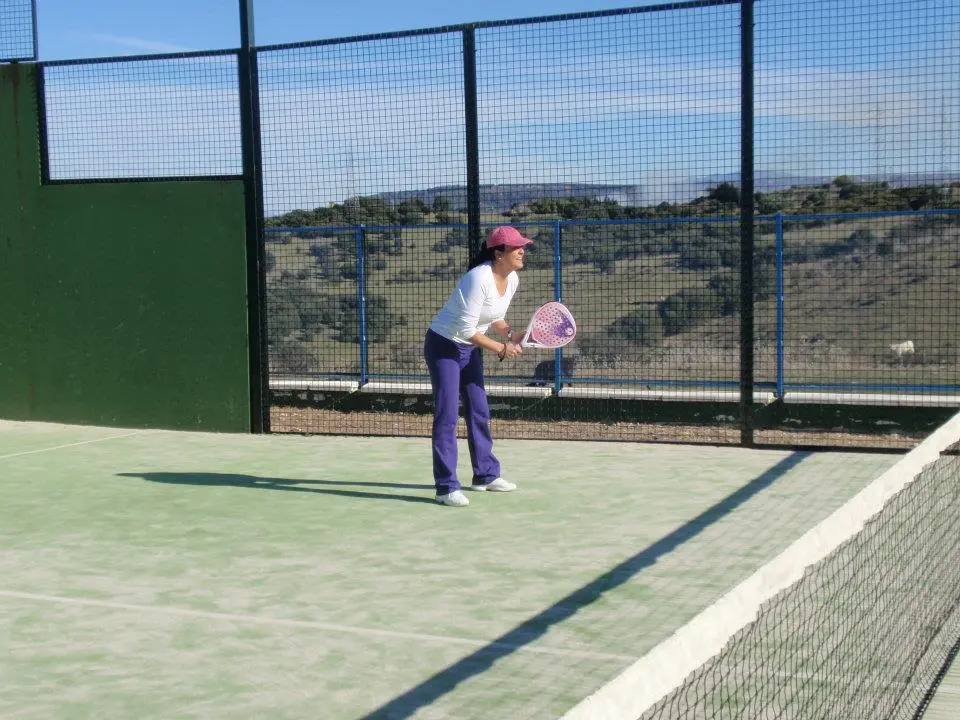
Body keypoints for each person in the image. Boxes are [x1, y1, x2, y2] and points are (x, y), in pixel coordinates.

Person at [423, 225, 532, 507]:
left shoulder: (513, 279)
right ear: (498, 253)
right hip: (444, 345)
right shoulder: (477, 278)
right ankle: (446, 487)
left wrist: (511, 334)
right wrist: (501, 348)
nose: (522, 251)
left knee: (479, 408)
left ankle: (485, 474)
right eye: (516, 247)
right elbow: (468, 328)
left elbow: (494, 317)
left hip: (469, 348)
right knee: (447, 415)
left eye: (523, 246)